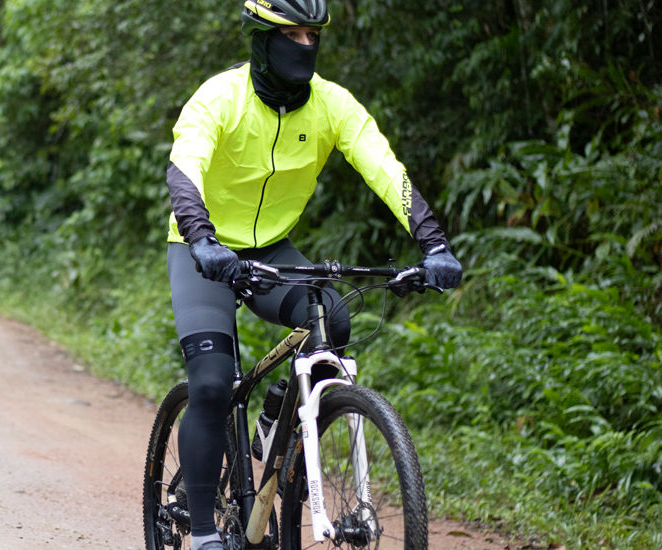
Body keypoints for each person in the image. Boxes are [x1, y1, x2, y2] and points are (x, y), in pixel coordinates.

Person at [165, 1, 462, 548]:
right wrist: (202, 239)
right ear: (262, 37)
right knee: (211, 383)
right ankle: (204, 531)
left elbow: (384, 167)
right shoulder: (220, 97)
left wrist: (434, 243)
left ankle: (277, 414)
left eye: (312, 34)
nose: (304, 45)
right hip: (201, 248)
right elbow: (184, 169)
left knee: (337, 323)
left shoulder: (331, 104)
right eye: (292, 34)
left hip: (273, 249)